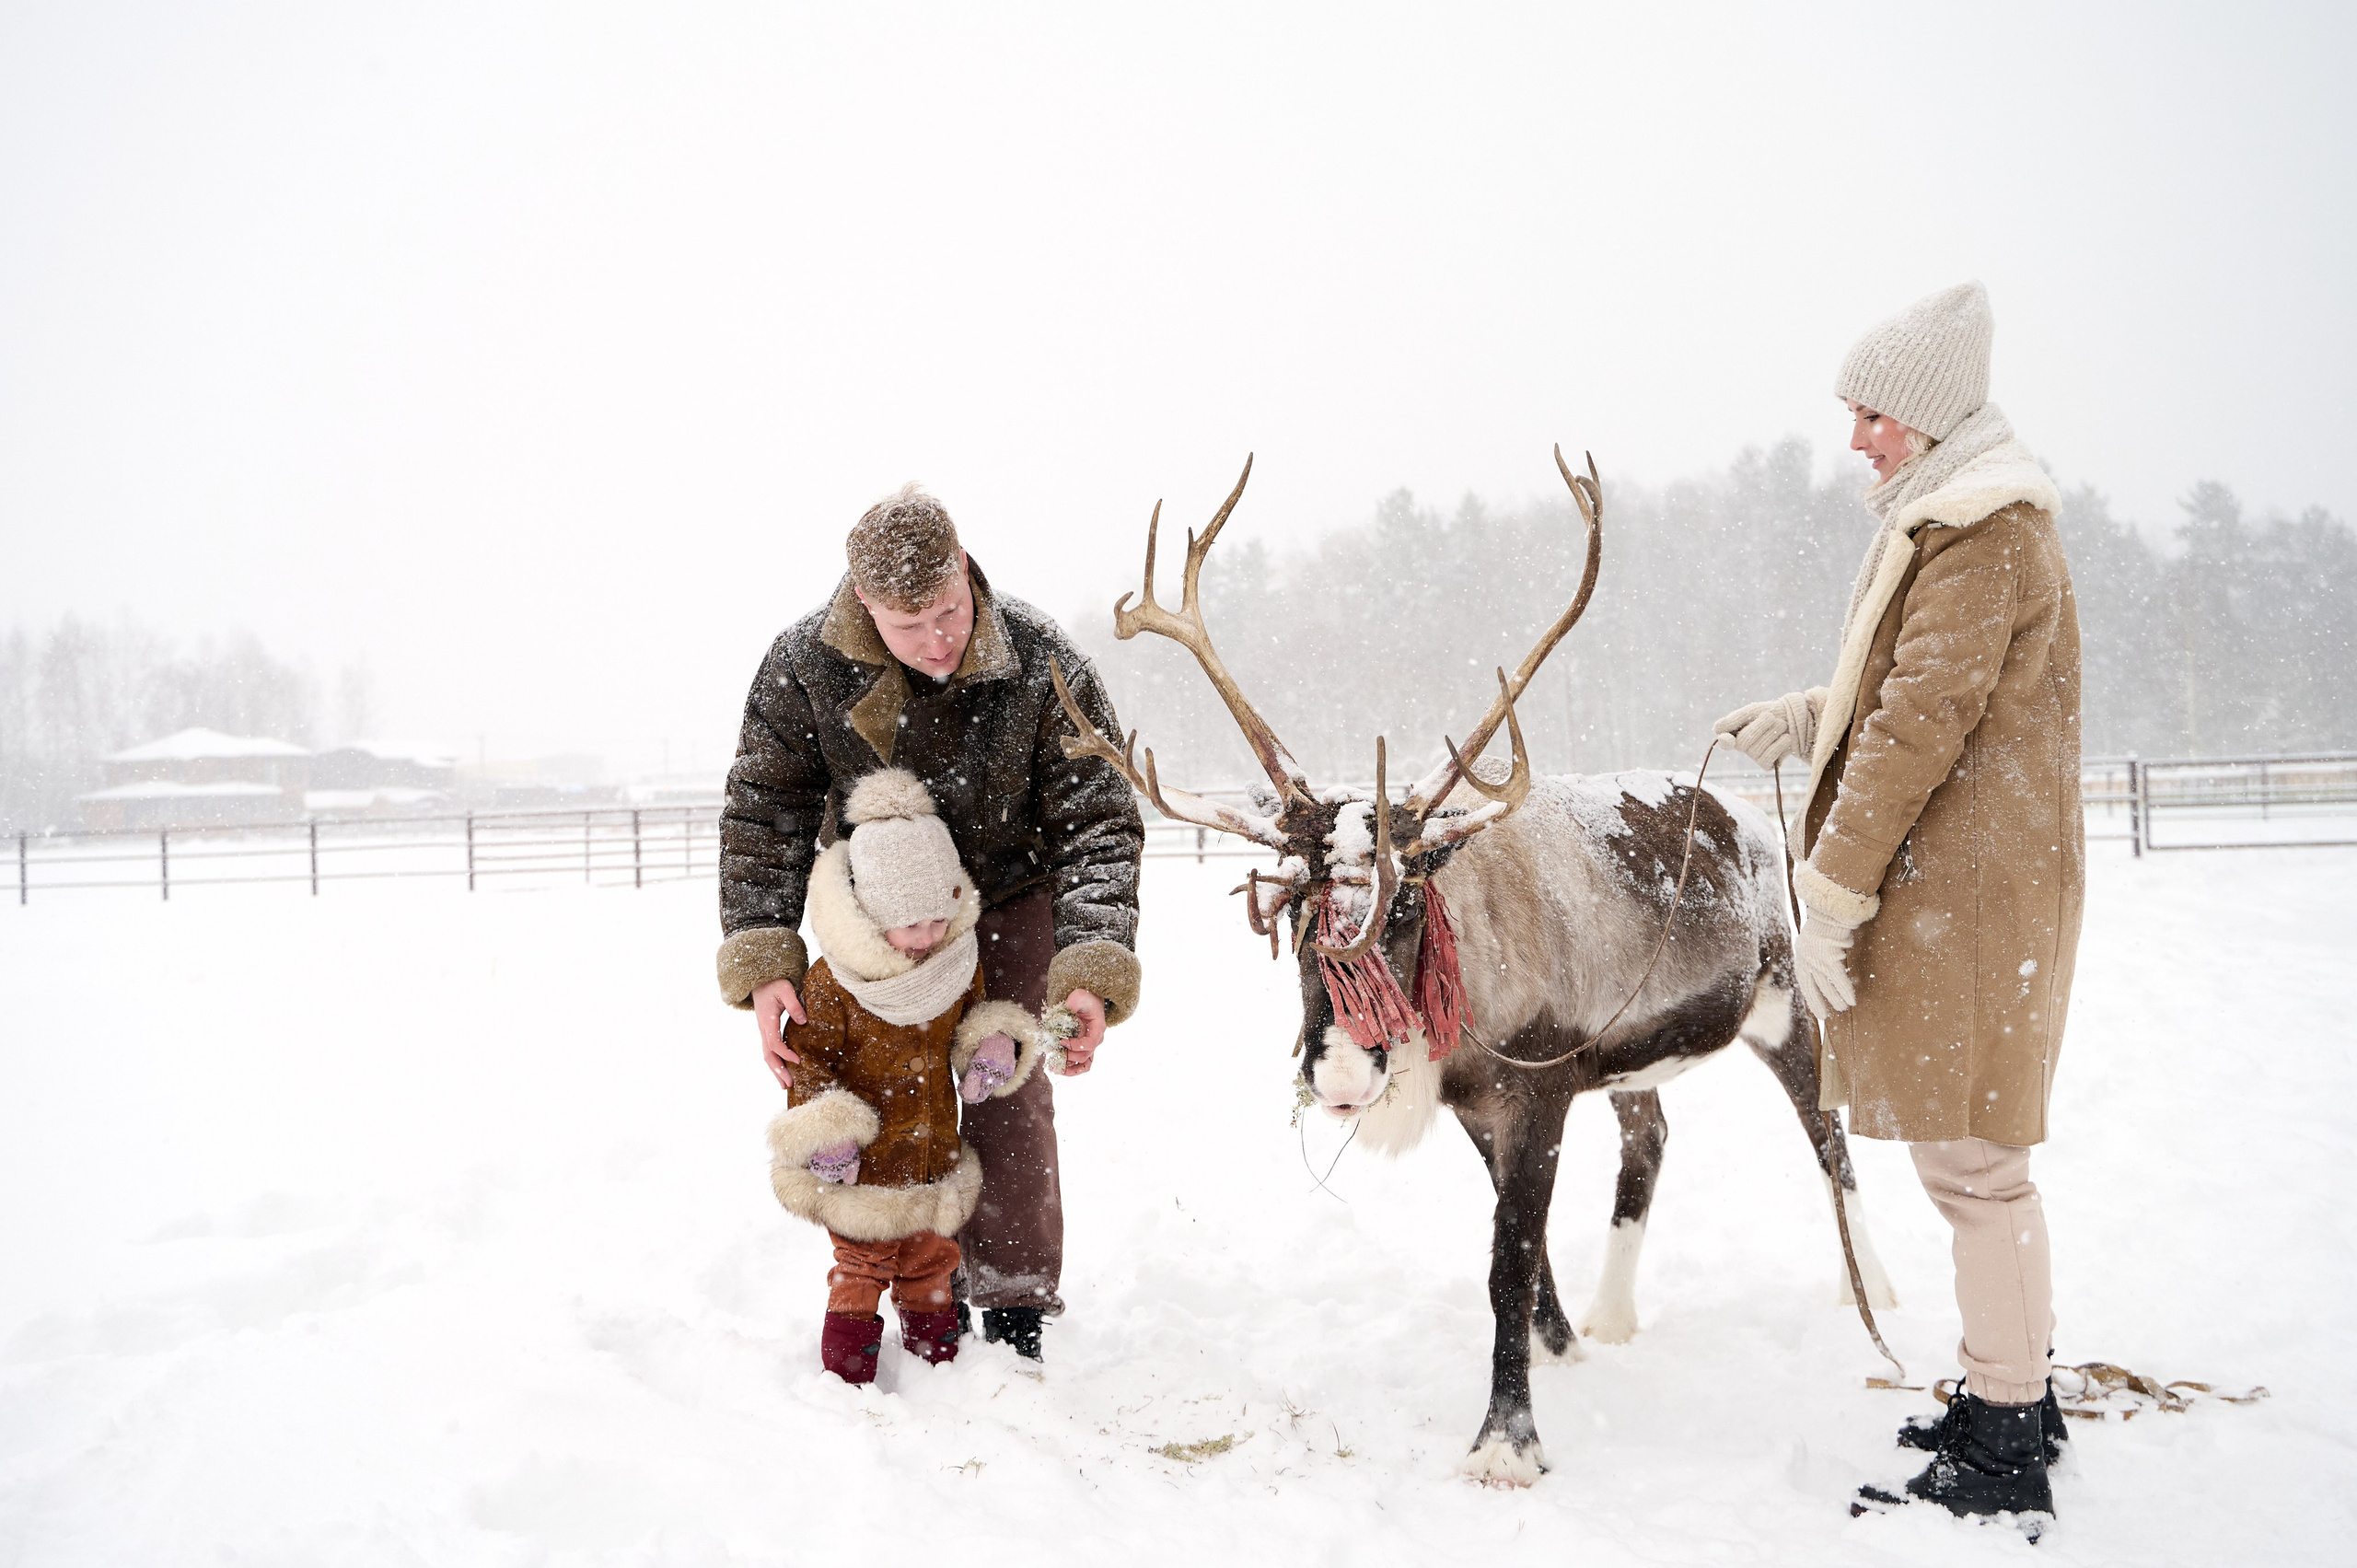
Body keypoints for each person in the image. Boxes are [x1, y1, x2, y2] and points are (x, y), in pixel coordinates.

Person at [1715, 281, 2083, 1527]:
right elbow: (1914, 688)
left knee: (1975, 1167)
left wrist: (1826, 893)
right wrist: (1809, 716)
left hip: (1964, 900)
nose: (1857, 437)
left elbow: (1921, 723)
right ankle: (2009, 1389)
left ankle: (2007, 1435)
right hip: (1961, 890)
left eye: (1873, 412)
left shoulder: (1983, 532)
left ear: (1929, 413)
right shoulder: (1950, 522)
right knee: (1969, 1159)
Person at [717, 482, 1144, 1361]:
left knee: (1005, 1090)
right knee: (876, 1096)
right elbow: (765, 810)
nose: (939, 639)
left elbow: (1099, 818)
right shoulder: (803, 664)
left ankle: (1015, 1305)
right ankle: (904, 1285)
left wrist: (1092, 964)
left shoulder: (1042, 657)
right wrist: (765, 957)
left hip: (1012, 895)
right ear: (863, 602)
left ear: (964, 566)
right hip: (876, 922)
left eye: (948, 610)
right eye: (909, 626)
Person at [765, 767, 1063, 1383]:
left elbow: (972, 1016)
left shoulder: (954, 962)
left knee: (932, 1265)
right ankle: (846, 1377)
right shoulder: (834, 983)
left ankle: (939, 1368)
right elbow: (807, 1061)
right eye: (911, 924)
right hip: (863, 1169)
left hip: (932, 1157)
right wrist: (827, 1133)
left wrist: (989, 1046)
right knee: (861, 1270)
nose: (928, 938)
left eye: (937, 919)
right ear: (873, 914)